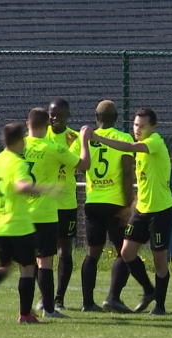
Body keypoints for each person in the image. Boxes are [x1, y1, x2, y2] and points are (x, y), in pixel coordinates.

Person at [82, 107, 172, 315]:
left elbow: (128, 146)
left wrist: (96, 137)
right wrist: (131, 206)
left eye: (142, 126)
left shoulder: (154, 143)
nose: (137, 129)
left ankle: (159, 306)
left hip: (161, 211)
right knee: (126, 252)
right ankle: (148, 291)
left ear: (153, 127)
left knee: (159, 261)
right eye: (135, 124)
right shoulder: (142, 147)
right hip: (141, 211)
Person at [0, 123, 58, 323]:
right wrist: (46, 189)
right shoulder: (18, 163)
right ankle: (25, 315)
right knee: (27, 267)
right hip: (19, 224)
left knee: (3, 267)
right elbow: (21, 186)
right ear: (20, 140)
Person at [25, 107, 90, 318]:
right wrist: (85, 142)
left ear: (27, 124)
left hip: (22, 212)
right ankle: (49, 308)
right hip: (45, 212)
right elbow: (85, 165)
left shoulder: (17, 147)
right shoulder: (53, 148)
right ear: (46, 125)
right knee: (45, 261)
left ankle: (26, 312)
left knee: (27, 263)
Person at [75, 100, 135, 313]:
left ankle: (87, 303)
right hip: (115, 203)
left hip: (93, 201)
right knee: (124, 252)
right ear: (117, 119)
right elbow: (127, 173)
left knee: (92, 253)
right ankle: (114, 298)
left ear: (96, 117)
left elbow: (80, 164)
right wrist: (129, 205)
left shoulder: (87, 138)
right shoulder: (124, 138)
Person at [43, 97, 79, 311]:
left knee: (65, 249)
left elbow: (70, 163)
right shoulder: (40, 135)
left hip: (66, 202)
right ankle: (44, 296)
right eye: (51, 113)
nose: (54, 117)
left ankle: (59, 298)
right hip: (44, 203)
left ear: (68, 116)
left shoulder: (73, 137)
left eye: (59, 114)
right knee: (44, 251)